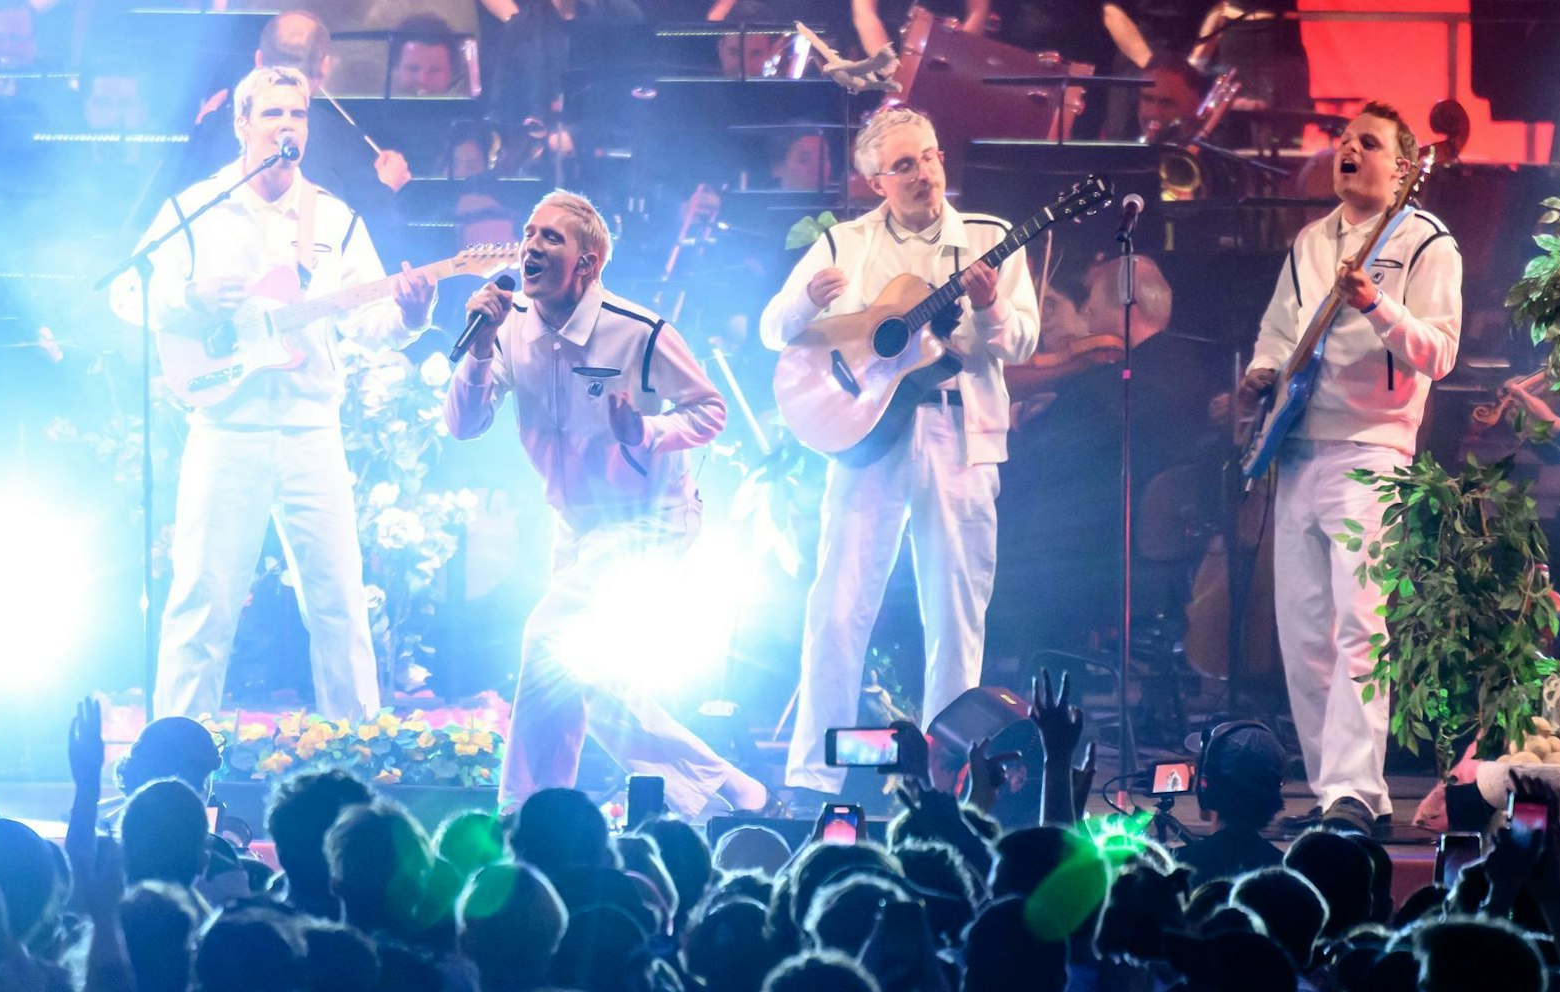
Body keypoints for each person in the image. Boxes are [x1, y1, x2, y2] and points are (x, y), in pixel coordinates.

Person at [121, 65, 436, 721]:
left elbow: (370, 327)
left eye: (297, 115)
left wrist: (410, 313)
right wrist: (189, 298)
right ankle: (175, 756)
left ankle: (356, 757)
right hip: (224, 427)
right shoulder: (196, 209)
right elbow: (128, 293)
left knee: (338, 600)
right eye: (272, 115)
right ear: (242, 125)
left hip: (311, 432)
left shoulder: (337, 219)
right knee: (201, 598)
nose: (287, 126)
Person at [442, 190, 769, 819]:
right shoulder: (507, 327)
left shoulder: (637, 331)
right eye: (529, 233)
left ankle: (524, 812)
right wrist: (480, 349)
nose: (531, 246)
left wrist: (645, 433)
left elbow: (710, 410)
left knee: (548, 640)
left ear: (587, 263)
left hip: (650, 520)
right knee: (592, 679)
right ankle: (725, 789)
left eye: (551, 238)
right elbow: (462, 425)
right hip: (576, 527)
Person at [760, 107, 1039, 803]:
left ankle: (951, 777)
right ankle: (812, 776)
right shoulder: (843, 244)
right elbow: (775, 330)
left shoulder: (989, 238)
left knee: (953, 610)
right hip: (864, 434)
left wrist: (991, 309)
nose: (925, 174)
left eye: (932, 157)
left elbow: (1023, 342)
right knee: (838, 604)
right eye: (906, 165)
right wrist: (804, 304)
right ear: (874, 179)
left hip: (959, 432)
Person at [1237, 101, 1461, 831]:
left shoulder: (1425, 242)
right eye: (1342, 140)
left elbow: (1439, 351)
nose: (1346, 151)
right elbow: (1277, 326)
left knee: (1359, 628)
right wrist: (1262, 370)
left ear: (1402, 169)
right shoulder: (1309, 240)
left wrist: (1377, 306)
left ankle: (1355, 796)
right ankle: (1330, 788)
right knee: (1302, 634)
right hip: (1298, 446)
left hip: (1371, 450)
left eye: (1366, 143)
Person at [177, 12, 413, 252]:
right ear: (324, 66)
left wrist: (205, 125)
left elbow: (179, 210)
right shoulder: (345, 142)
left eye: (297, 116)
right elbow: (381, 242)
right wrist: (384, 188)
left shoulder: (214, 125)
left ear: (258, 61)